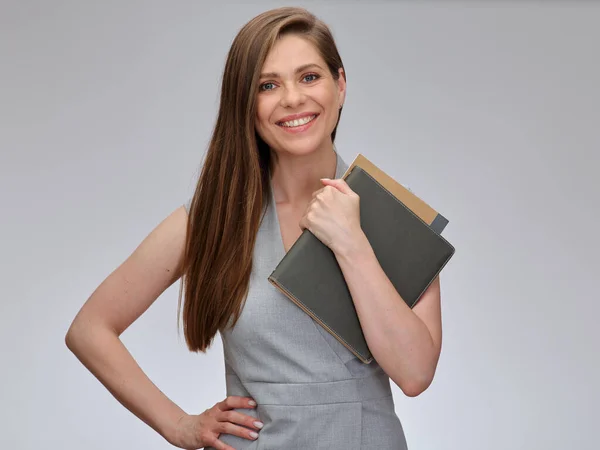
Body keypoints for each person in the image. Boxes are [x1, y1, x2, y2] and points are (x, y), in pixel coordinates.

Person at [65, 6, 443, 450]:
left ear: (340, 86)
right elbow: (89, 329)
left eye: (309, 77)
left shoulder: (394, 216)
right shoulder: (216, 218)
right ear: (246, 104)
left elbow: (415, 373)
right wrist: (178, 426)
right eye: (268, 85)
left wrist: (352, 244)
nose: (292, 99)